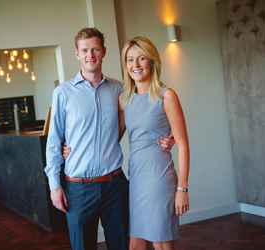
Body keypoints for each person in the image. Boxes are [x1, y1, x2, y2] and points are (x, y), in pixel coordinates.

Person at [45, 27, 174, 250]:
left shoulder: (120, 90)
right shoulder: (63, 93)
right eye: (85, 50)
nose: (90, 55)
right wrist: (54, 186)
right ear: (76, 53)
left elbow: (146, 115)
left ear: (104, 52)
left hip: (115, 185)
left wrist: (167, 137)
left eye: (95, 49)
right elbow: (54, 142)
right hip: (79, 189)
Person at [120, 36, 190, 250]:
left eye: (141, 59)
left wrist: (182, 189)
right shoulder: (124, 99)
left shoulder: (166, 96)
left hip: (159, 176)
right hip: (137, 177)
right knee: (136, 242)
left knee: (160, 241)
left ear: (152, 61)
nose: (136, 65)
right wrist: (71, 149)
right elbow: (110, 138)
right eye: (130, 60)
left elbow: (184, 144)